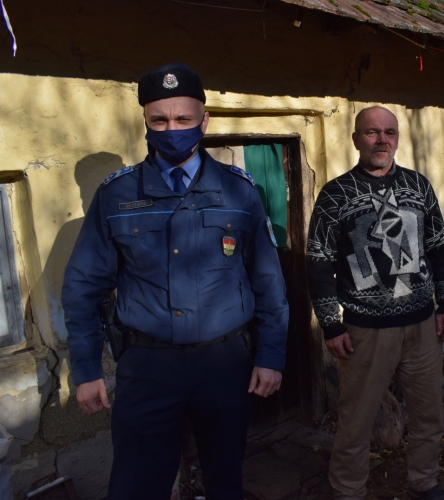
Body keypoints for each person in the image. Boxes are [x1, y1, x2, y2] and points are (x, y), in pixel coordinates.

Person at [62, 63, 289, 500]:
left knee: (226, 480)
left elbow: (268, 282)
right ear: (145, 122)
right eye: (160, 120)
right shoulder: (116, 195)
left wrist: (272, 355)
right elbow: (83, 288)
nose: (172, 130)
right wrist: (86, 369)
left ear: (204, 120)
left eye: (183, 119)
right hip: (147, 366)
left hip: (224, 363)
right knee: (136, 485)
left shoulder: (240, 191)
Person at [306, 106, 444, 500]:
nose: (381, 140)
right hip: (366, 332)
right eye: (372, 132)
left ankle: (424, 481)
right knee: (355, 421)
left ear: (397, 137)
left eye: (389, 132)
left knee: (429, 414)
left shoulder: (418, 185)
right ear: (356, 139)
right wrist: (331, 324)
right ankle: (348, 490)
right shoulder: (335, 194)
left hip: (422, 326)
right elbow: (319, 264)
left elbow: (440, 249)